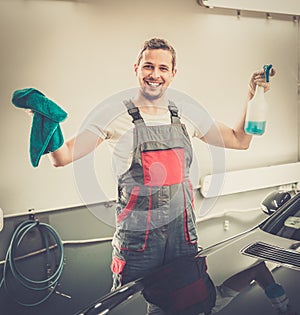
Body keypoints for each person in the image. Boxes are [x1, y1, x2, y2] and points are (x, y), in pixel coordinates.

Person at [27, 38, 294, 314]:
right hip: (138, 246)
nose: (155, 74)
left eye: (163, 68)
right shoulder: (114, 116)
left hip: (183, 242)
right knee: (127, 307)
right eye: (148, 66)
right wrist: (45, 120)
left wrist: (252, 96)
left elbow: (240, 140)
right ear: (136, 68)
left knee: (191, 305)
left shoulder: (186, 114)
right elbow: (63, 157)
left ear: (173, 73)